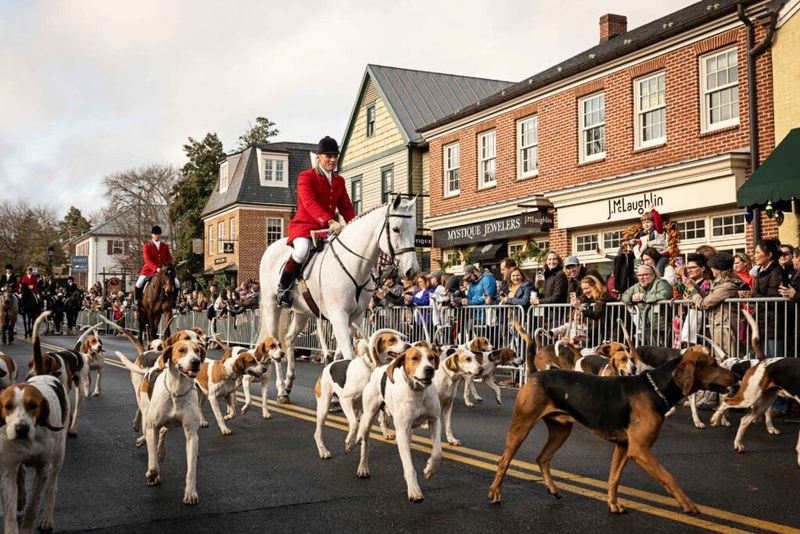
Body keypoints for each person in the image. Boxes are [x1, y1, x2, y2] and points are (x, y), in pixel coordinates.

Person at [277, 136, 356, 307]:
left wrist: (355, 224)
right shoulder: (306, 177)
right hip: (305, 227)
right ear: (318, 157)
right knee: (301, 251)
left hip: (329, 229)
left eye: (335, 156)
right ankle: (283, 288)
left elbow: (346, 207)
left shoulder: (339, 180)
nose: (333, 160)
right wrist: (329, 221)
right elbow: (309, 202)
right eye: (328, 156)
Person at [684, 252, 739, 357]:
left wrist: (692, 289)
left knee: (726, 359)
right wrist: (695, 287)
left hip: (725, 327)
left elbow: (704, 304)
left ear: (719, 269)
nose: (711, 270)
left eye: (713, 267)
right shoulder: (720, 284)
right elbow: (709, 296)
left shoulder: (727, 286)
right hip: (718, 325)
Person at [621, 264, 673, 344]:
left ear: (653, 275)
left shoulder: (661, 283)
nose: (641, 278)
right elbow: (623, 296)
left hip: (663, 327)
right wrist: (631, 298)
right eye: (639, 275)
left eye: (645, 275)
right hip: (646, 328)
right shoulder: (636, 287)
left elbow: (665, 295)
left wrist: (644, 297)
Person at [134, 225, 178, 307]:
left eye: (158, 234)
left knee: (177, 283)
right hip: (148, 271)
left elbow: (169, 258)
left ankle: (174, 301)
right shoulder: (147, 246)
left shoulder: (165, 246)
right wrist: (156, 269)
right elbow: (147, 260)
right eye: (155, 234)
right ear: (152, 235)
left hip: (163, 271)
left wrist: (167, 266)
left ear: (160, 235)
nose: (157, 235)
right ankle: (137, 302)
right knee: (138, 284)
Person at [574, 274, 612, 346]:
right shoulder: (591, 296)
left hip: (617, 328)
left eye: (587, 288)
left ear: (595, 286)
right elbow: (582, 298)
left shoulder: (603, 295)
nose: (584, 291)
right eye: (583, 289)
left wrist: (580, 307)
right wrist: (575, 300)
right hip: (606, 330)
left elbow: (596, 314)